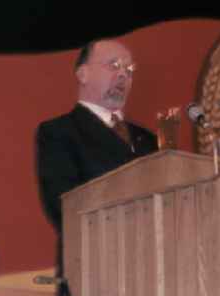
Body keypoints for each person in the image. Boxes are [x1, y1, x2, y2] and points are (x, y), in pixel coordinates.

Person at [35, 38, 157, 232]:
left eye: (129, 70)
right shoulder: (59, 132)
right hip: (93, 252)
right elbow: (63, 206)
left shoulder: (148, 138)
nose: (123, 75)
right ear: (83, 74)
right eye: (114, 65)